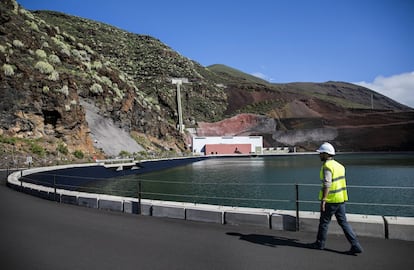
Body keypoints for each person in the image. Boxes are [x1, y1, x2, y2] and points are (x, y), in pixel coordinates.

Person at [310, 142, 363, 254]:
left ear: (326, 154)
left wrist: (324, 200)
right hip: (341, 199)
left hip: (331, 200)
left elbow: (327, 184)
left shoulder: (327, 167)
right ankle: (355, 244)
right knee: (344, 223)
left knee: (324, 222)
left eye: (321, 153)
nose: (319, 155)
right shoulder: (340, 166)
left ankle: (320, 244)